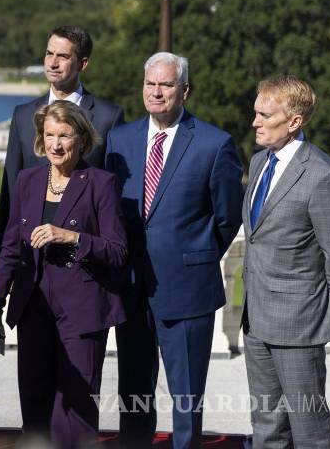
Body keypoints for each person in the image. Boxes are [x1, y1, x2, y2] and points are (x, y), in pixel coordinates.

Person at [104, 52, 244, 449]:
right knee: (133, 392)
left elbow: (226, 218)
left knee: (186, 396)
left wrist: (192, 256)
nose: (157, 92)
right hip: (131, 286)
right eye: (150, 84)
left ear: (185, 90)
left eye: (166, 85)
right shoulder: (120, 140)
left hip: (187, 288)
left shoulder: (215, 144)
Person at [0, 101, 128, 449]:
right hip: (34, 309)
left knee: (75, 411)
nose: (56, 144)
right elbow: (12, 248)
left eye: (65, 135)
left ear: (81, 139)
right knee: (34, 403)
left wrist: (72, 237)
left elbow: (118, 250)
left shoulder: (100, 183)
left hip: (82, 313)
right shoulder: (27, 180)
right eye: (49, 135)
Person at [241, 76, 330, 448]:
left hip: (299, 324)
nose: (254, 121)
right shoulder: (259, 162)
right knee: (267, 425)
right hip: (255, 319)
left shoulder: (321, 175)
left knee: (308, 427)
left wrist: (320, 311)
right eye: (255, 112)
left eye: (264, 115)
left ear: (294, 122)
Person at [0, 25, 123, 259]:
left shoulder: (109, 117)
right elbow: (12, 188)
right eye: (48, 53)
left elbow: (114, 193)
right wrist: (5, 256)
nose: (52, 63)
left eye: (62, 56)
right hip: (30, 254)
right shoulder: (23, 115)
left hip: (82, 256)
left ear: (83, 63)